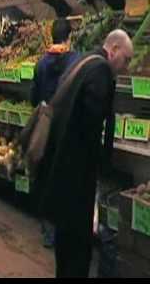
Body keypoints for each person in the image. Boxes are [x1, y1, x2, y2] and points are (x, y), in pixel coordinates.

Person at [38, 29, 133, 278]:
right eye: (126, 59)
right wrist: (102, 164)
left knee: (65, 245)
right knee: (78, 249)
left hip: (60, 168)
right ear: (113, 50)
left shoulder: (80, 61)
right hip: (76, 175)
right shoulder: (100, 72)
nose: (126, 67)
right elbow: (92, 125)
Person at [30, 18, 80, 249]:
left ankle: (47, 230)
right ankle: (63, 229)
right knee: (64, 176)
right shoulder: (75, 61)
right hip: (67, 127)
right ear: (69, 36)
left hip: (46, 125)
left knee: (45, 174)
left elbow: (34, 98)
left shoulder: (41, 63)